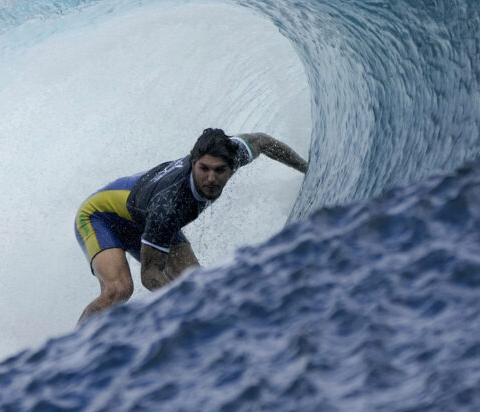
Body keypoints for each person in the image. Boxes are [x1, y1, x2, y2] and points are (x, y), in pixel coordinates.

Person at [74, 128, 308, 324]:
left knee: (197, 285)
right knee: (119, 289)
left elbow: (264, 142)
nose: (211, 179)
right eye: (203, 169)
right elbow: (150, 275)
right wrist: (186, 309)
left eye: (219, 170)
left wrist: (307, 169)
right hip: (101, 216)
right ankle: (74, 350)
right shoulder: (170, 205)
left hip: (145, 214)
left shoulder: (234, 154)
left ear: (232, 165)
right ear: (193, 162)